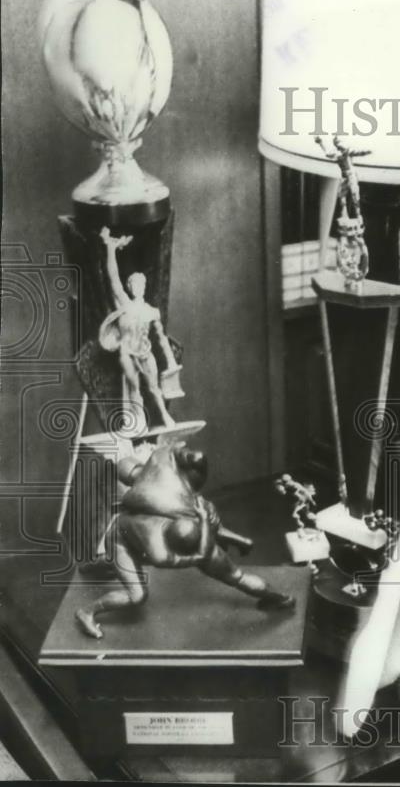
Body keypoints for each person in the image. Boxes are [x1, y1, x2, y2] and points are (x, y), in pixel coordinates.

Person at [75, 442, 295, 639]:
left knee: (236, 575)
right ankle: (86, 611)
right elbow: (198, 550)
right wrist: (225, 537)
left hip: (165, 533)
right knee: (137, 594)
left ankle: (280, 597)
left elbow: (207, 538)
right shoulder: (166, 539)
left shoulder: (178, 496)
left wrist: (235, 539)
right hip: (123, 540)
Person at [98, 226, 182, 431]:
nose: (139, 288)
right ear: (130, 287)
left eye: (141, 285)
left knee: (154, 388)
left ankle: (164, 416)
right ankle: (139, 422)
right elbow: (113, 277)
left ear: (144, 287)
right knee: (133, 387)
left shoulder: (152, 311)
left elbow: (161, 337)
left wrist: (170, 361)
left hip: (145, 353)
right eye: (135, 285)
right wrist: (110, 249)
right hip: (127, 352)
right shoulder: (124, 303)